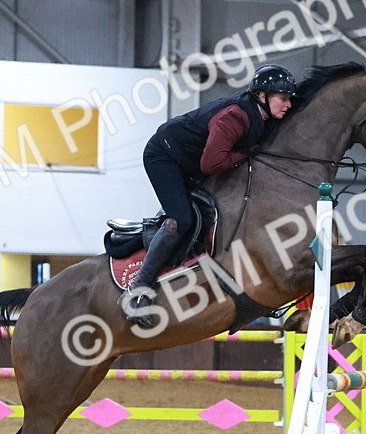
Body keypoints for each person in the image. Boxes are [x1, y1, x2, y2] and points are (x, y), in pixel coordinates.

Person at [123, 63, 297, 327]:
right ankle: (138, 292)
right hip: (164, 156)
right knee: (181, 220)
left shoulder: (262, 116)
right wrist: (245, 153)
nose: (288, 105)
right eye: (283, 98)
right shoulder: (235, 116)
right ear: (262, 96)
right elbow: (212, 164)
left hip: (188, 161)